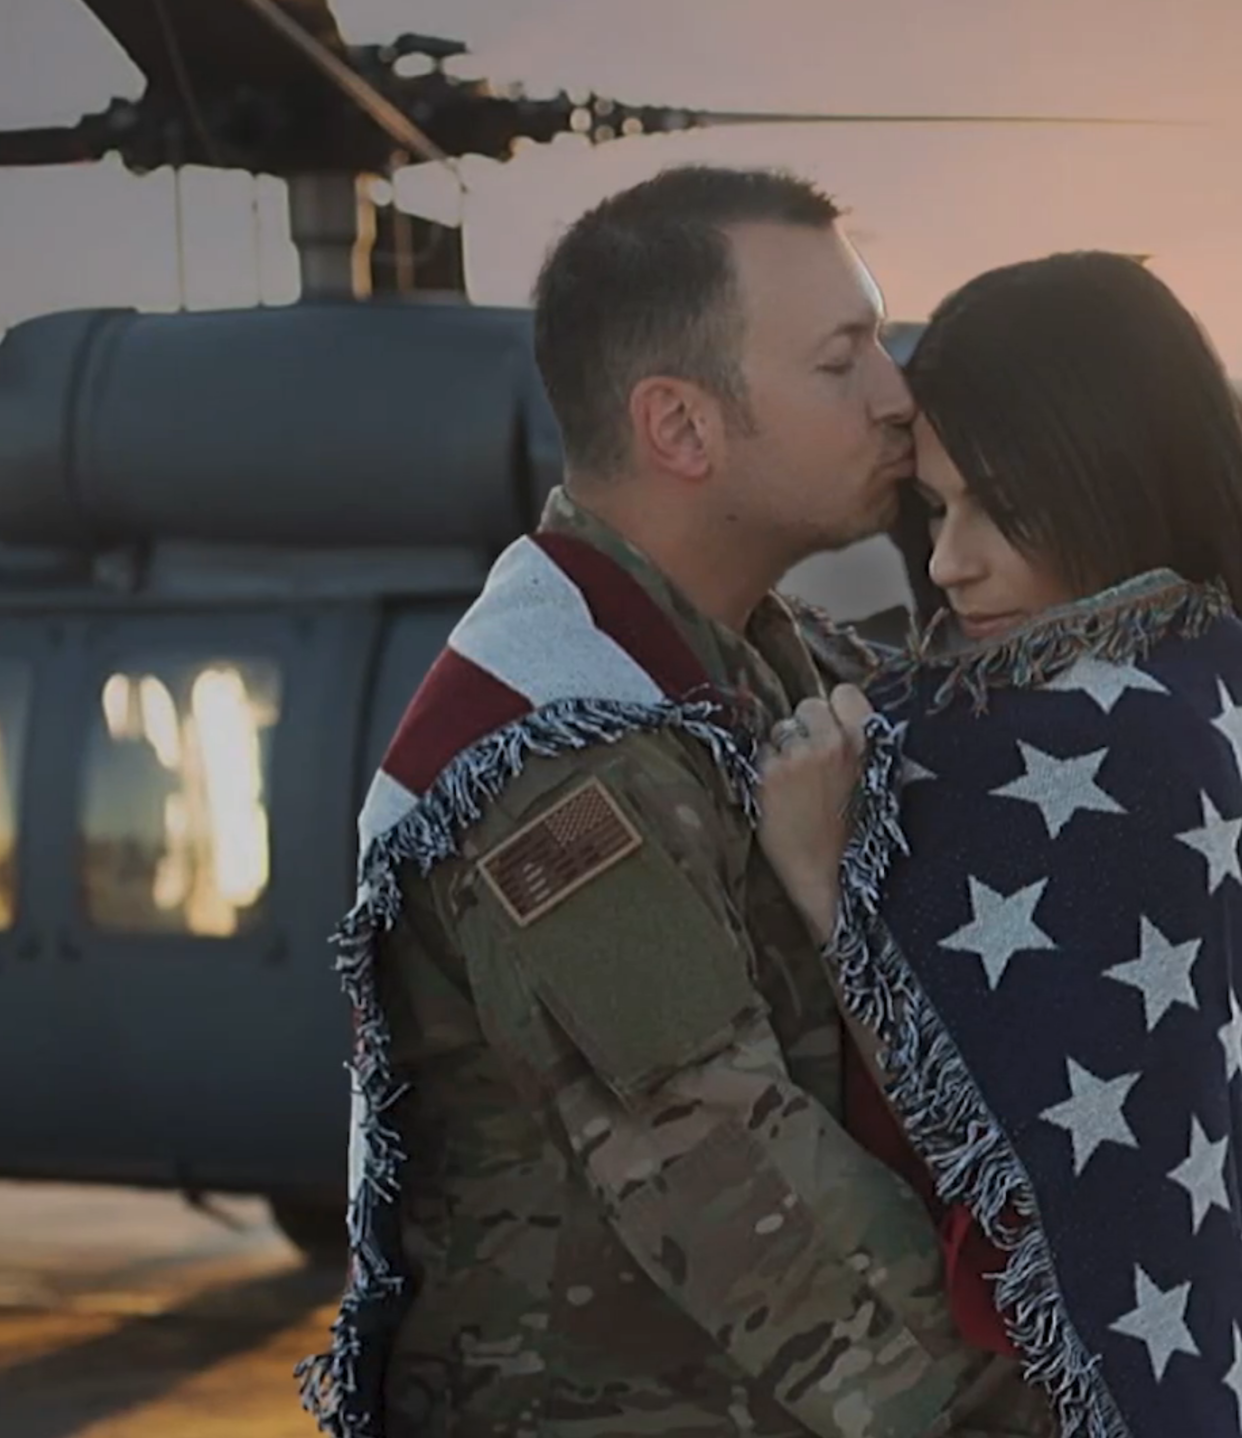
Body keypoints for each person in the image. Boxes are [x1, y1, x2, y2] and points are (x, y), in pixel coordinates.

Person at [299, 165, 1053, 1438]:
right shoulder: (556, 762)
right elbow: (739, 1193)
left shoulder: (764, 670)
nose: (895, 395)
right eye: (841, 360)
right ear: (683, 429)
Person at [755, 252, 1242, 1438]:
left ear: (1108, 474)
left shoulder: (1101, 748)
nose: (951, 562)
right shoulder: (1190, 681)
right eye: (937, 507)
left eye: (1002, 506)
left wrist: (822, 883)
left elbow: (986, 1108)